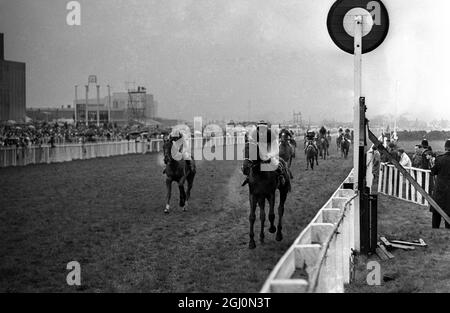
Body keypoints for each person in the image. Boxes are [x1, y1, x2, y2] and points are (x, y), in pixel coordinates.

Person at [429, 139, 450, 229]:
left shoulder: (439, 159)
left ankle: (435, 232)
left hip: (440, 190)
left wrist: (431, 162)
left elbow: (433, 172)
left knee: (436, 213)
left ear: (445, 148)